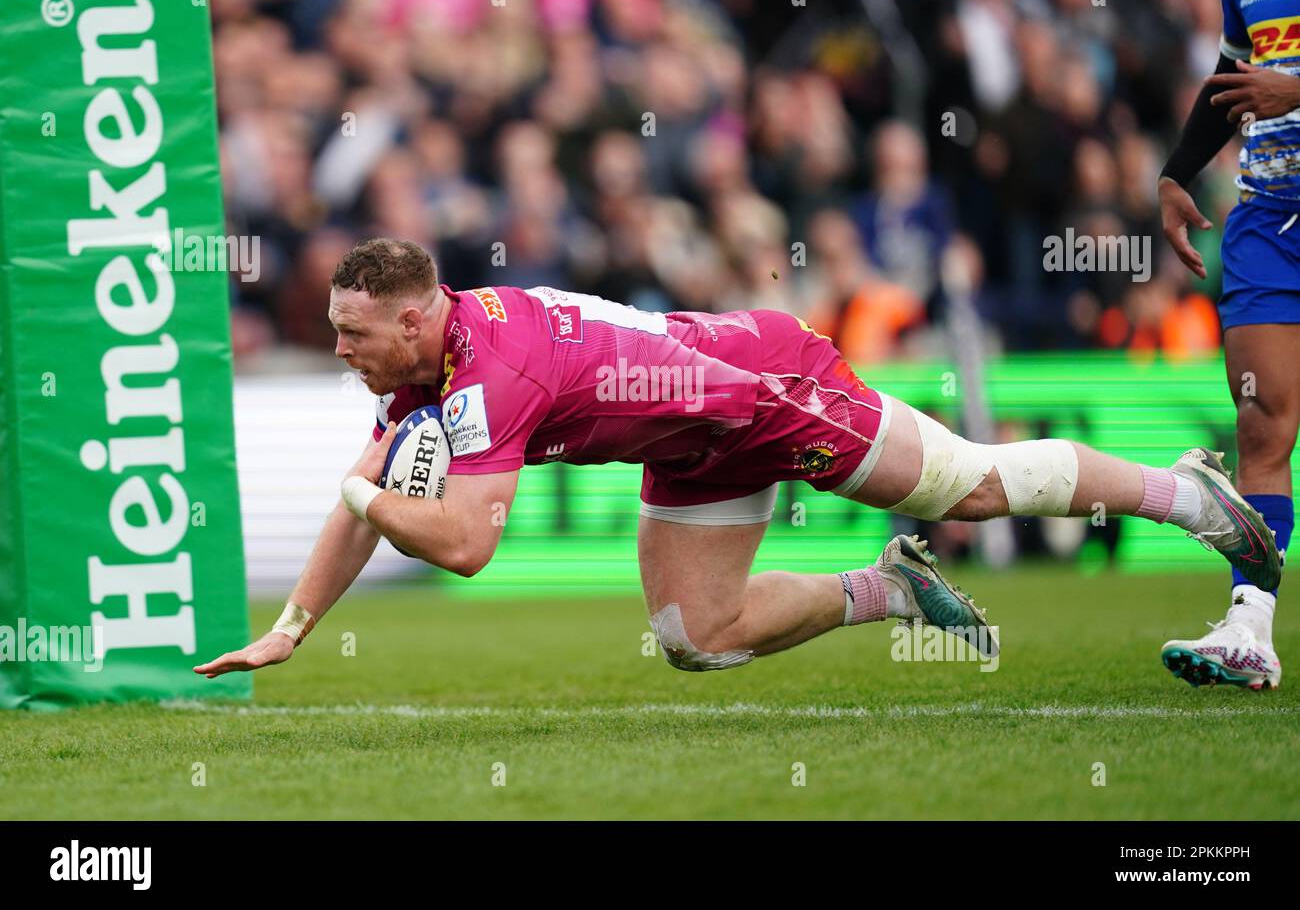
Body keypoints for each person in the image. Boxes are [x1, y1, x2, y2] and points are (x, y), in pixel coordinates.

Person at [194, 239, 1279, 680]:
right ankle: (888, 585)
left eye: (354, 335)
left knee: (971, 484)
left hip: (759, 393)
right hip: (689, 439)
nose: (341, 353)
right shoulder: (429, 366)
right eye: (336, 332)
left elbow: (465, 544)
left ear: (418, 317)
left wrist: (366, 493)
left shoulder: (491, 373)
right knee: (694, 640)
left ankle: (1187, 491)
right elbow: (369, 498)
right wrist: (288, 630)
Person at [1156, 0, 1300, 689]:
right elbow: (1232, 73)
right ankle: (1250, 626)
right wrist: (1179, 172)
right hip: (1269, 223)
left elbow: (1276, 86)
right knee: (1260, 423)